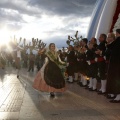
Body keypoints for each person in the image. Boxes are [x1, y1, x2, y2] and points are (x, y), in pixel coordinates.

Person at [106, 29, 120, 103]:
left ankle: (118, 96)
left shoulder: (118, 40)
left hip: (116, 64)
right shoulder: (117, 41)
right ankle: (115, 94)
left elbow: (110, 46)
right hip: (115, 64)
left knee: (116, 79)